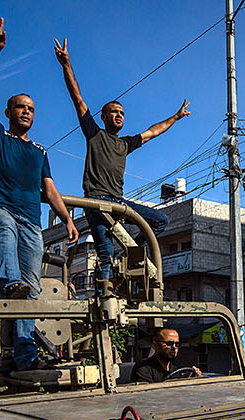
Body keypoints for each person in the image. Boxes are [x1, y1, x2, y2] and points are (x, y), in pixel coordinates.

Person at [0, 19, 80, 372]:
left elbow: (49, 189)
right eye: (20, 107)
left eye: (31, 108)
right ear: (9, 112)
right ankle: (9, 282)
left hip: (32, 223)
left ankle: (25, 356)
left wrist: (67, 219)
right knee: (6, 231)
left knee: (32, 291)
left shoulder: (39, 151)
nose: (26, 111)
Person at [54, 38, 189, 283]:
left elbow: (153, 131)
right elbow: (77, 98)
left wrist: (176, 117)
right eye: (114, 112)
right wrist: (66, 65)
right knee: (104, 255)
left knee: (160, 221)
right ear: (103, 116)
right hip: (96, 201)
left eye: (122, 113)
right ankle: (103, 289)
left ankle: (131, 253)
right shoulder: (94, 134)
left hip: (118, 201)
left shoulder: (125, 143)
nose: (118, 115)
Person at [131, 327, 200, 384]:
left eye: (177, 344)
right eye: (169, 344)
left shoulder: (175, 371)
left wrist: (186, 379)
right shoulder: (143, 369)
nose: (174, 347)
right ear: (155, 345)